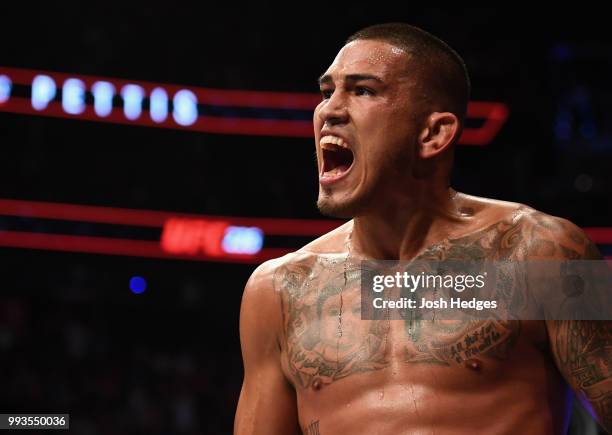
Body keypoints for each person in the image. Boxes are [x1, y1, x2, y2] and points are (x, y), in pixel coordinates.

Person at [234, 22, 610, 434]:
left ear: (433, 133)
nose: (330, 110)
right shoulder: (278, 291)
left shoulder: (544, 251)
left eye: (362, 90)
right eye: (327, 92)